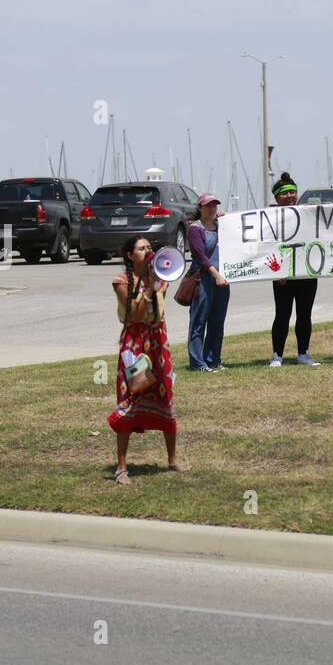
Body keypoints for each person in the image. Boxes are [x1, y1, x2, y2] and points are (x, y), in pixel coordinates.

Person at [107, 235, 182, 484]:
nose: (148, 251)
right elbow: (136, 314)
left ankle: (172, 460)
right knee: (131, 396)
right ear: (130, 255)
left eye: (150, 247)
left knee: (165, 395)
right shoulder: (121, 282)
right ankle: (121, 467)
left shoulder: (161, 279)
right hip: (134, 344)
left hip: (158, 342)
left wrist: (156, 282)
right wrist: (149, 288)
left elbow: (157, 311)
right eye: (141, 248)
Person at [267, 173, 319, 367]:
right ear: (276, 197)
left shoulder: (307, 214)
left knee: (305, 314)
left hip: (307, 272)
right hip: (282, 276)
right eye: (285, 193)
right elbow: (267, 246)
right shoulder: (269, 219)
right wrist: (277, 272)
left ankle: (303, 353)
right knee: (282, 315)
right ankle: (277, 354)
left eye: (293, 192)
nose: (290, 196)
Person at [186, 194, 231, 372]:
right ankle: (198, 363)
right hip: (203, 279)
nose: (211, 209)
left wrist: (228, 220)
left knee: (217, 321)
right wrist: (216, 275)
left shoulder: (221, 226)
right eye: (207, 206)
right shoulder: (194, 229)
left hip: (223, 280)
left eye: (214, 205)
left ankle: (213, 359)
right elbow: (200, 257)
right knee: (199, 321)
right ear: (200, 208)